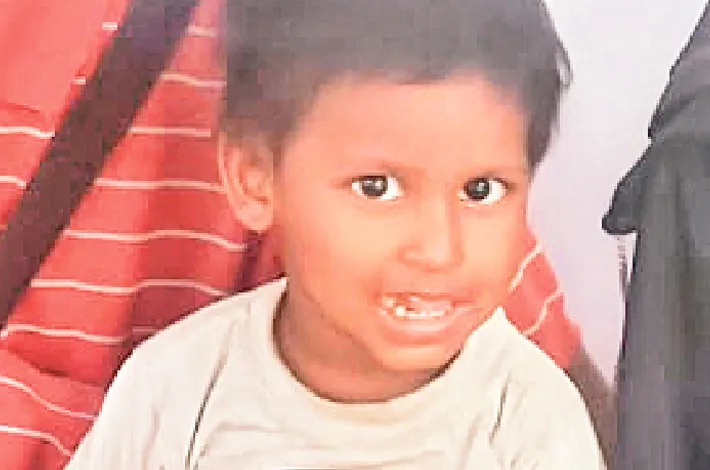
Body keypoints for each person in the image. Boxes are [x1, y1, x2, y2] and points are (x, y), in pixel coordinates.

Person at [63, 0, 606, 468]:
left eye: (481, 190)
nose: (440, 250)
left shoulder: (529, 420)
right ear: (255, 178)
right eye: (376, 187)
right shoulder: (176, 391)